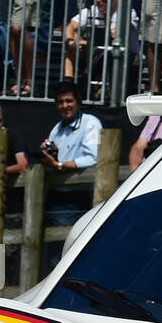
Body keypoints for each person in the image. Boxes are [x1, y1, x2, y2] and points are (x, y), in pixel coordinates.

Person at [40, 81, 102, 227]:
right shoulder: (57, 129)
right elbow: (56, 160)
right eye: (60, 102)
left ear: (78, 102)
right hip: (54, 193)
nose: (65, 105)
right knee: (52, 243)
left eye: (69, 101)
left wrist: (59, 165)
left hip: (77, 194)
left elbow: (93, 159)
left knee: (66, 243)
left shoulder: (90, 123)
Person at [63, 0, 142, 85]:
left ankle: (86, 84)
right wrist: (70, 41)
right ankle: (68, 83)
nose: (99, 1)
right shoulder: (92, 11)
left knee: (108, 52)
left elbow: (116, 35)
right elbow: (70, 26)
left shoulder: (128, 13)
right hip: (95, 55)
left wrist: (85, 42)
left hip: (126, 59)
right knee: (72, 41)